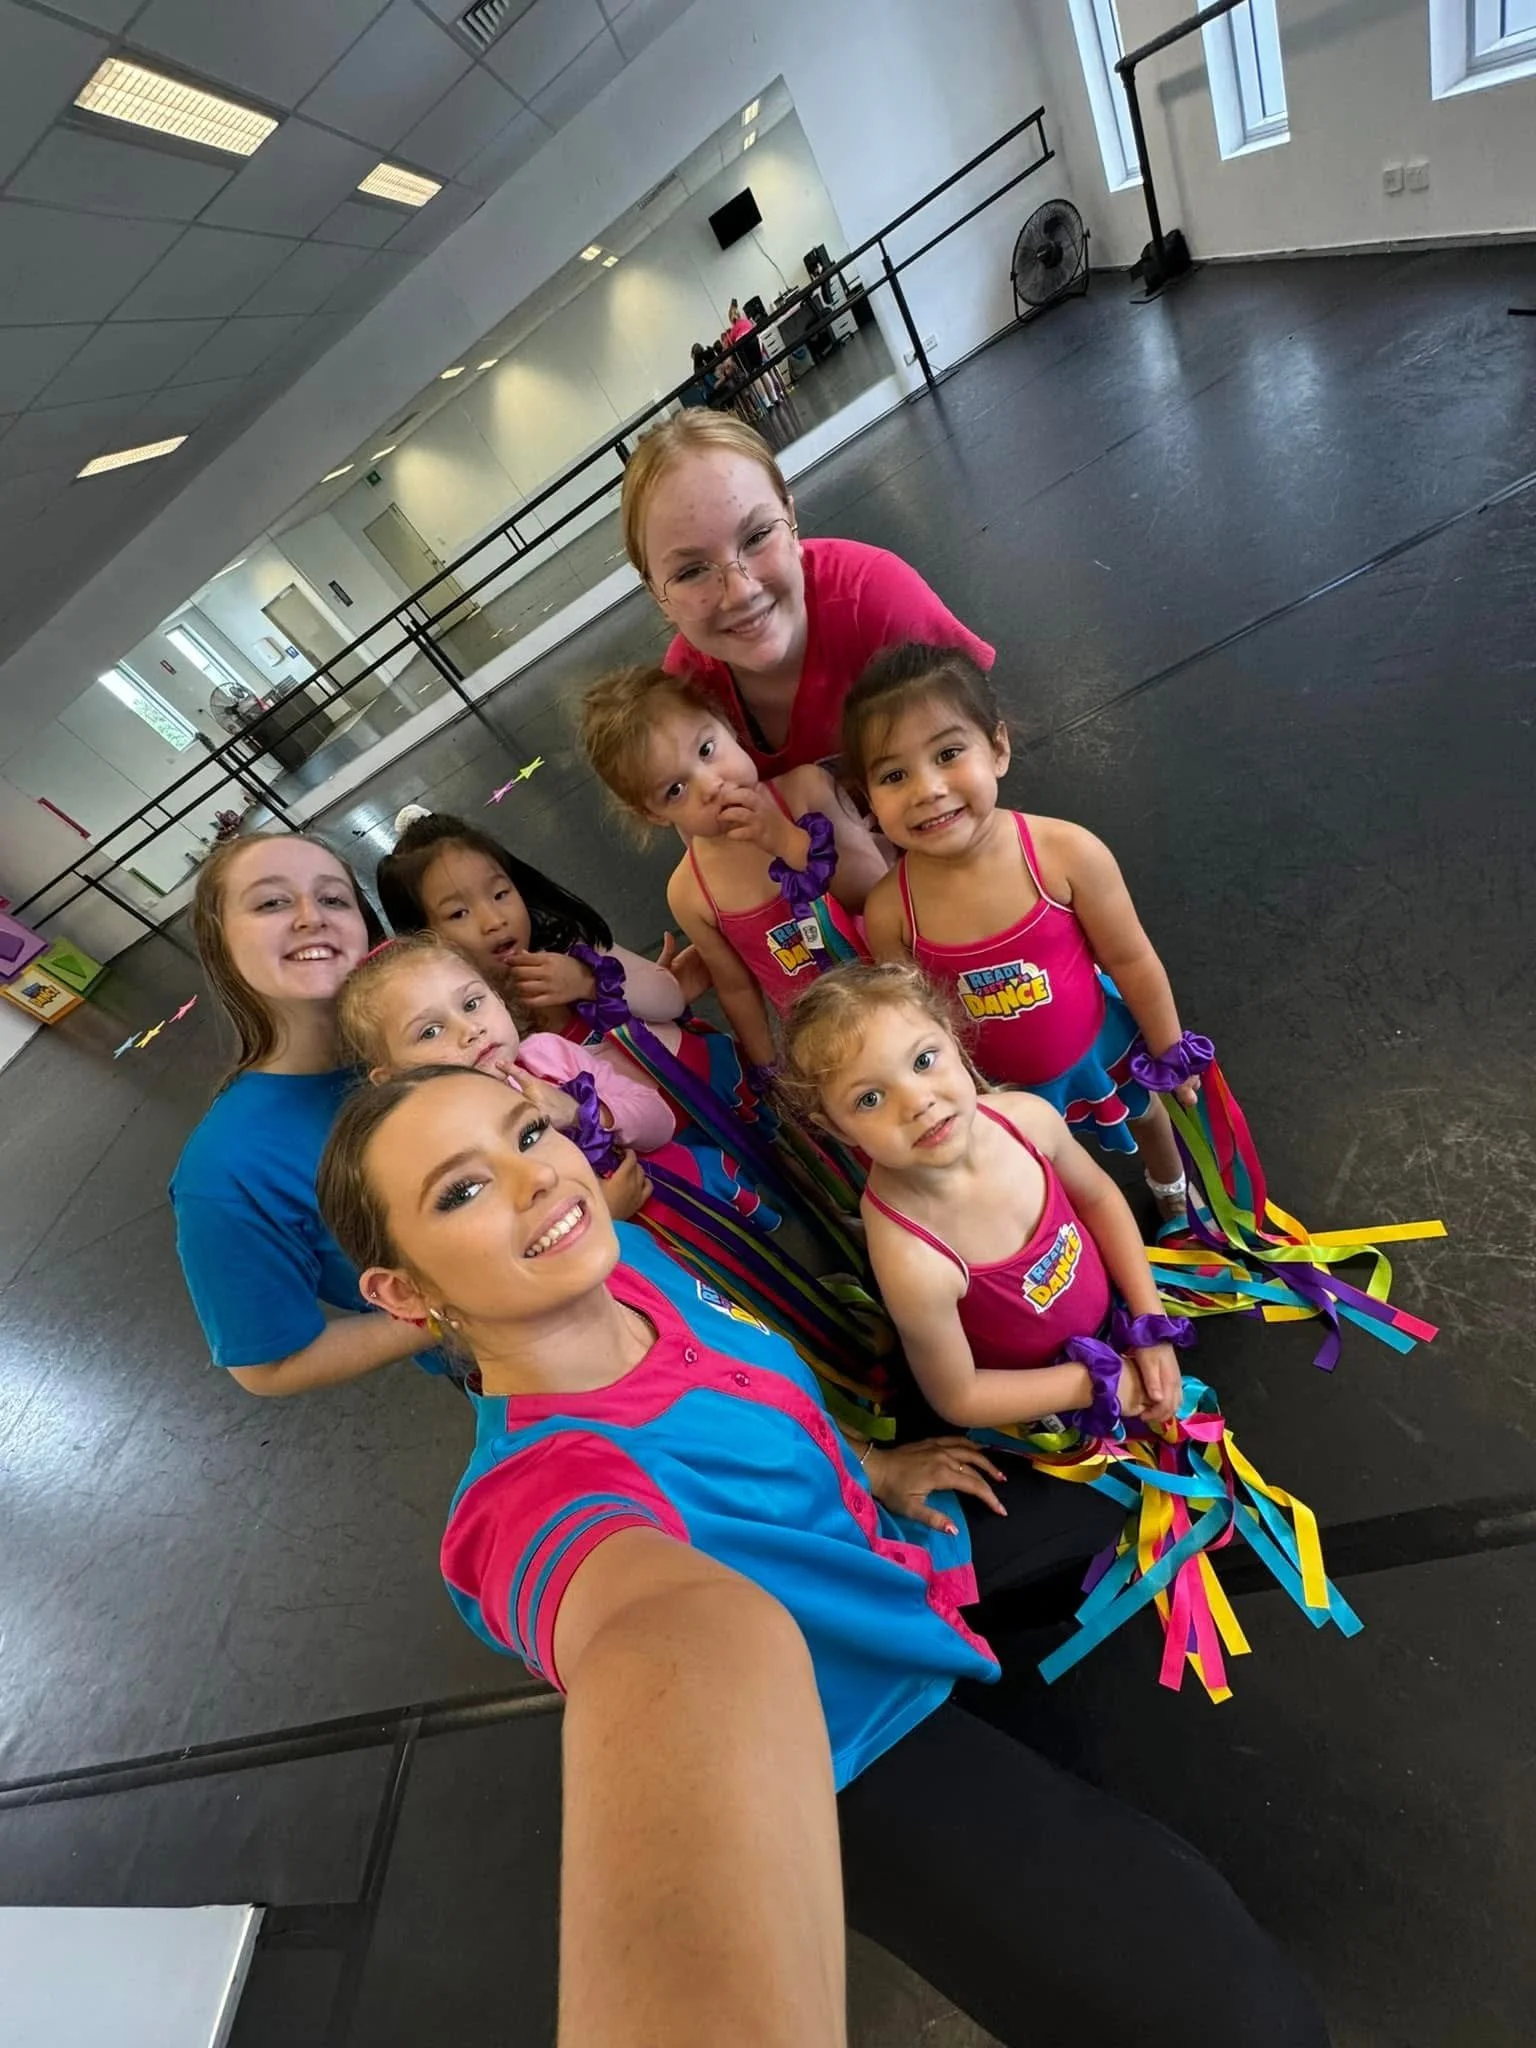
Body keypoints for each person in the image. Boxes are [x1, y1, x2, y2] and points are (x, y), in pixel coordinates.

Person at [315, 1062, 1331, 2048]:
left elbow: (745, 1391)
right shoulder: (537, 1502)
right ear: (404, 1293)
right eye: (463, 1189)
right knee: (1239, 2019)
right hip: (855, 1743)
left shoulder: (627, 1258)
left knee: (1124, 1503)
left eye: (527, 1132)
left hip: (886, 1562)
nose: (538, 1176)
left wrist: (872, 1468)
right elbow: (641, 1632)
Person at [846, 642, 1195, 1214]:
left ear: (999, 748)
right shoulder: (891, 911)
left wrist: (1169, 1048)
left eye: (949, 752)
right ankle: (1078, 1237)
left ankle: (1175, 1196)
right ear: (869, 800)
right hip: (998, 1086)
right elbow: (916, 1027)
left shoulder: (1066, 853)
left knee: (1148, 1112)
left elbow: (1132, 959)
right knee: (1039, 1166)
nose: (927, 789)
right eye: (893, 775)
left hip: (1095, 1044)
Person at [779, 961, 1184, 1433]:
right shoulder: (912, 1259)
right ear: (835, 1128)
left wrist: (1149, 1324)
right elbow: (959, 1395)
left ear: (952, 1037)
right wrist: (1088, 1383)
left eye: (923, 1060)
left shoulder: (1029, 1121)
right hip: (1032, 1392)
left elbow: (1099, 1200)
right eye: (870, 1099)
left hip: (1118, 1326)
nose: (917, 1102)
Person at [170, 832, 443, 1396]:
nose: (309, 916)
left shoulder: (444, 1027)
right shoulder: (228, 1170)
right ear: (220, 946)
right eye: (271, 902)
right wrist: (457, 1306)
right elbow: (269, 1366)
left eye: (334, 899)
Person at [620, 412, 994, 775]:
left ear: (793, 523)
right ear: (657, 595)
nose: (741, 592)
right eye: (692, 572)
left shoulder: (876, 600)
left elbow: (973, 746)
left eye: (757, 537)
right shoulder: (685, 689)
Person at [579, 665, 885, 1069]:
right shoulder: (690, 893)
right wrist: (770, 1069)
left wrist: (787, 840)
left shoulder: (805, 793)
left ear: (726, 724)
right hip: (826, 1047)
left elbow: (875, 889)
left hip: (899, 994)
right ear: (652, 814)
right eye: (675, 790)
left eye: (707, 750)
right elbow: (736, 988)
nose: (710, 786)